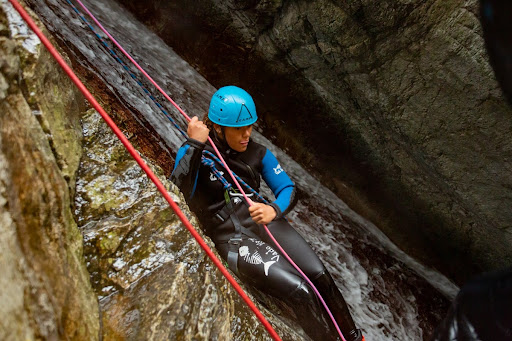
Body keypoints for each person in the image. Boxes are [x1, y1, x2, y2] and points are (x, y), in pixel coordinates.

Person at [171, 85, 364, 341]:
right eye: (239, 128)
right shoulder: (196, 152)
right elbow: (175, 187)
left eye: (250, 126)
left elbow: (288, 188)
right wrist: (194, 142)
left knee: (320, 278)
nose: (247, 134)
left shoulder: (257, 154)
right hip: (232, 239)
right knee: (300, 291)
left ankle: (354, 338)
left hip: (264, 222)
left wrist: (274, 209)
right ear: (218, 127)